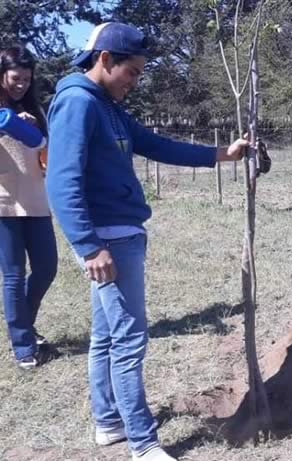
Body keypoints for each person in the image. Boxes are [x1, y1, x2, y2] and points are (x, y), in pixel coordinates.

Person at [46, 23, 248, 461]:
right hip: (109, 241)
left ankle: (108, 423)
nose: (135, 82)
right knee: (130, 339)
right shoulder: (78, 103)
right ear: (105, 60)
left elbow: (155, 144)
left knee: (106, 337)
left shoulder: (109, 107)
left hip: (121, 235)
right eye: (132, 72)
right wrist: (88, 246)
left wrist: (220, 155)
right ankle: (144, 443)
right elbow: (61, 182)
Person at [0, 45, 58, 370]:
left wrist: (35, 131)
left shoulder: (36, 109)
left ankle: (24, 322)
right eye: (14, 78)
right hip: (4, 202)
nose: (20, 84)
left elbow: (45, 151)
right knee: (12, 275)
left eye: (26, 78)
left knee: (47, 267)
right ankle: (22, 346)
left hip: (36, 199)